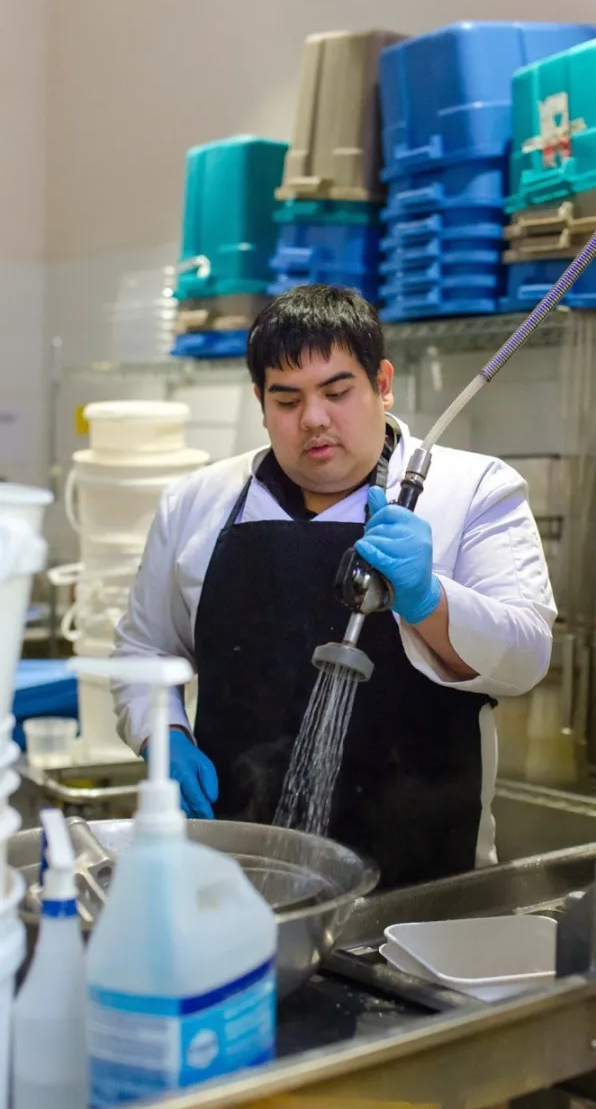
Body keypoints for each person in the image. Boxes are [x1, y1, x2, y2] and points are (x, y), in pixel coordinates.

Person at [113, 284, 557, 888]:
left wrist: (428, 600)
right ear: (260, 402)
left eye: (337, 391)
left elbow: (526, 659)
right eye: (287, 399)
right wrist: (162, 735)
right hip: (231, 876)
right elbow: (144, 649)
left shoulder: (474, 490)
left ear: (382, 383)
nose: (314, 419)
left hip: (422, 888)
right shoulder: (196, 503)